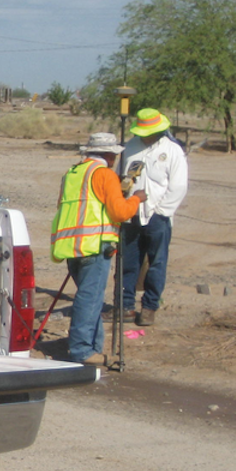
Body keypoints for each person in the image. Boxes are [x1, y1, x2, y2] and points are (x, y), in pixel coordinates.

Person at [50, 133, 146, 366]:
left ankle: (94, 347)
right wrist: (136, 200)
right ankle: (82, 349)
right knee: (89, 299)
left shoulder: (72, 173)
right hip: (95, 246)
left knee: (89, 297)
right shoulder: (104, 174)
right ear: (109, 155)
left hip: (70, 245)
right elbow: (120, 213)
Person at [119, 108, 188, 327]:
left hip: (158, 217)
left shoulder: (172, 150)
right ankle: (125, 306)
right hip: (131, 215)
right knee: (127, 263)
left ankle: (149, 307)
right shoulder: (130, 147)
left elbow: (178, 186)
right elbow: (120, 179)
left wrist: (161, 212)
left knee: (156, 264)